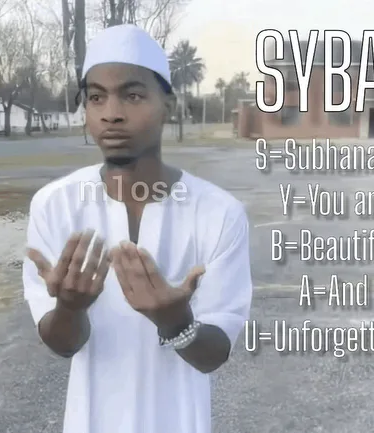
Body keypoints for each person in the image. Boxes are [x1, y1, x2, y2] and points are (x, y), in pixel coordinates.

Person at [23, 24, 253, 433]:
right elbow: (63, 345)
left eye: (132, 95)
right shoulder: (55, 206)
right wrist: (70, 308)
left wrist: (176, 322)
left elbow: (213, 355)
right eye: (96, 97)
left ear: (169, 105)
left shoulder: (219, 213)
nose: (111, 113)